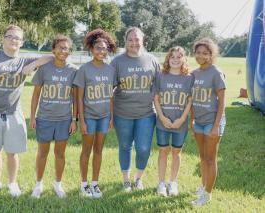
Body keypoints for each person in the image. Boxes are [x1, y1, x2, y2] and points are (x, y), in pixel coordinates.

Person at [0, 25, 49, 198]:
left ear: (22, 42)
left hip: (14, 113)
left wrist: (33, 65)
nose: (14, 40)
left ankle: (12, 183)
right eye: (10, 36)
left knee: (12, 152)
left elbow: (51, 56)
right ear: (3, 38)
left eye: (18, 38)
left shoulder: (24, 60)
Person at [111, 27, 160, 192]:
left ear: (142, 40)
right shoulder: (117, 62)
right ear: (125, 41)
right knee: (125, 146)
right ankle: (126, 180)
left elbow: (160, 85)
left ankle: (138, 178)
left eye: (137, 39)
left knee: (144, 147)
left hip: (146, 113)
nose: (134, 43)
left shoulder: (152, 60)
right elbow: (108, 88)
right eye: (130, 39)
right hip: (122, 113)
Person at [29, 35, 78, 199]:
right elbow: (36, 94)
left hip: (64, 119)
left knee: (60, 153)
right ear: (53, 50)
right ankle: (38, 184)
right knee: (42, 153)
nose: (64, 51)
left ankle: (58, 184)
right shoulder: (44, 68)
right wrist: (33, 117)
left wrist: (74, 119)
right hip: (44, 118)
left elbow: (76, 98)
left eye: (67, 48)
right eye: (61, 47)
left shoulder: (73, 70)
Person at [73, 28, 116, 198]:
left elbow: (110, 96)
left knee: (99, 150)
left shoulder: (110, 70)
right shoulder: (84, 69)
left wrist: (111, 117)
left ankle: (95, 183)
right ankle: (84, 184)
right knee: (86, 150)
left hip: (104, 117)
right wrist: (81, 120)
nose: (102, 51)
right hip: (89, 117)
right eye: (98, 48)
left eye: (105, 48)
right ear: (91, 49)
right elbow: (79, 98)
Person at [190, 38, 226, 206]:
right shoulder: (194, 73)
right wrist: (191, 120)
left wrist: (216, 126)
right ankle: (203, 186)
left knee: (211, 159)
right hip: (198, 122)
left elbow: (222, 102)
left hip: (212, 122)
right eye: (198, 52)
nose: (201, 56)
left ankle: (208, 194)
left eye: (205, 53)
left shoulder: (216, 72)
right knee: (202, 157)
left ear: (212, 55)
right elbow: (190, 99)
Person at [154, 46, 193, 196]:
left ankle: (173, 182)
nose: (175, 59)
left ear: (184, 59)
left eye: (179, 57)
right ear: (168, 59)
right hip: (163, 122)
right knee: (163, 151)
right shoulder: (160, 75)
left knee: (176, 153)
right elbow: (156, 98)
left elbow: (190, 100)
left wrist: (182, 119)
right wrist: (162, 117)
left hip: (180, 123)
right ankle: (161, 183)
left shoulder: (189, 77)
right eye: (172, 57)